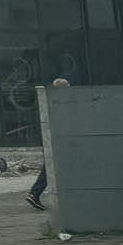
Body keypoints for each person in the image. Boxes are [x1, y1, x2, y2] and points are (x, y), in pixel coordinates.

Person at [25, 77, 69, 209]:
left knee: (51, 166)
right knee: (52, 166)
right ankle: (35, 193)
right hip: (55, 139)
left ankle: (35, 193)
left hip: (48, 138)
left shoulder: (48, 100)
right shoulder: (59, 103)